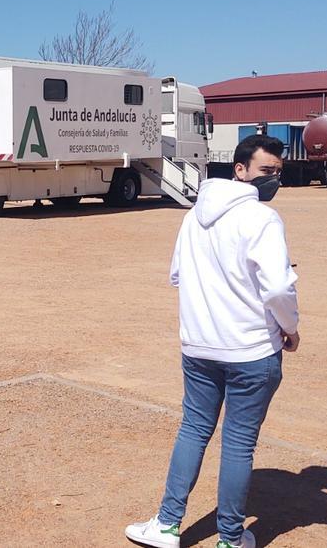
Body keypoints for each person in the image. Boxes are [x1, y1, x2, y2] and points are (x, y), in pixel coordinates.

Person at [126, 134, 299, 548]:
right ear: (240, 170)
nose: (272, 179)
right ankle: (230, 538)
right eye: (265, 171)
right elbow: (277, 289)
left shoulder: (193, 216)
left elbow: (177, 275)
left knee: (194, 430)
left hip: (200, 346)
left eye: (278, 172)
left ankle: (168, 524)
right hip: (251, 349)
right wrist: (290, 328)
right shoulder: (262, 219)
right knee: (238, 444)